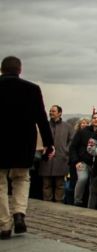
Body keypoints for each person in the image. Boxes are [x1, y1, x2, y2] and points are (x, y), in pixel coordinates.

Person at [0, 56, 54, 240]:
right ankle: (19, 213)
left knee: (0, 183)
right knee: (22, 178)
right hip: (23, 142)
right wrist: (49, 143)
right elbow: (41, 118)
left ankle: (4, 224)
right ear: (20, 70)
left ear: (2, 69)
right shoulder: (32, 89)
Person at [38, 105, 73, 202]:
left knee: (60, 184)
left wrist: (66, 150)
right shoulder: (44, 126)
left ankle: (59, 204)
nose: (51, 113)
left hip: (61, 158)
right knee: (46, 184)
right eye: (50, 111)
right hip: (46, 158)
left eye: (53, 111)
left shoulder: (67, 126)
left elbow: (72, 140)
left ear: (60, 113)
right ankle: (47, 203)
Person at [70, 112, 97, 207]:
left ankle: (90, 205)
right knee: (82, 179)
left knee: (93, 185)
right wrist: (76, 161)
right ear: (92, 119)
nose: (96, 119)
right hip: (83, 161)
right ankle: (77, 201)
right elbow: (73, 147)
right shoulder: (82, 132)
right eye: (94, 118)